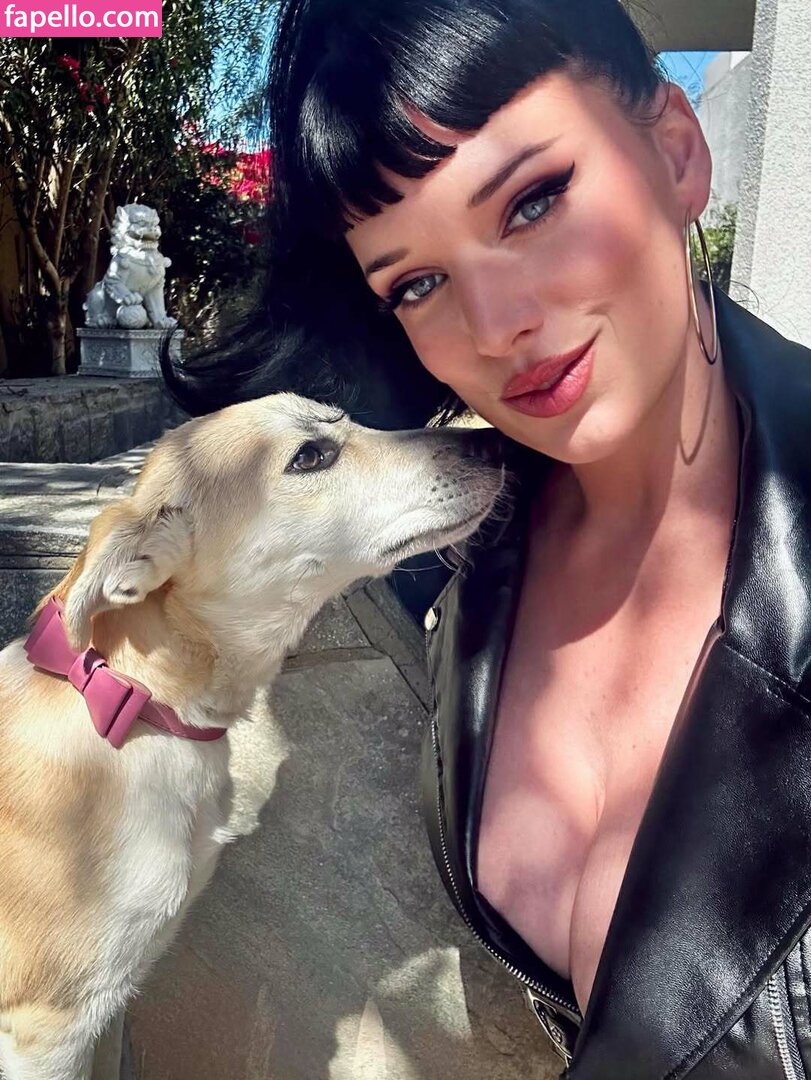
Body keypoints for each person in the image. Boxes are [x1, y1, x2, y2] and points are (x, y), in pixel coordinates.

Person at [160, 1, 811, 1075]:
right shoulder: (464, 553)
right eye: (417, 283)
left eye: (533, 200)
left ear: (675, 151)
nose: (498, 324)